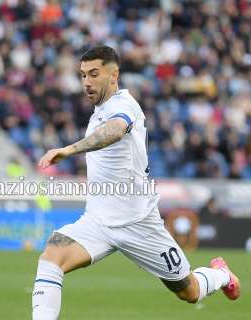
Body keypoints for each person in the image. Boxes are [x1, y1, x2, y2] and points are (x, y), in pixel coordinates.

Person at [31, 46, 240, 320]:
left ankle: (220, 274)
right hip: (97, 222)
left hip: (139, 223)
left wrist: (69, 150)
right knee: (51, 257)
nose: (87, 82)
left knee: (188, 290)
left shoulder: (124, 105)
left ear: (114, 74)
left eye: (94, 74)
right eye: (83, 75)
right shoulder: (98, 113)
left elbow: (115, 131)